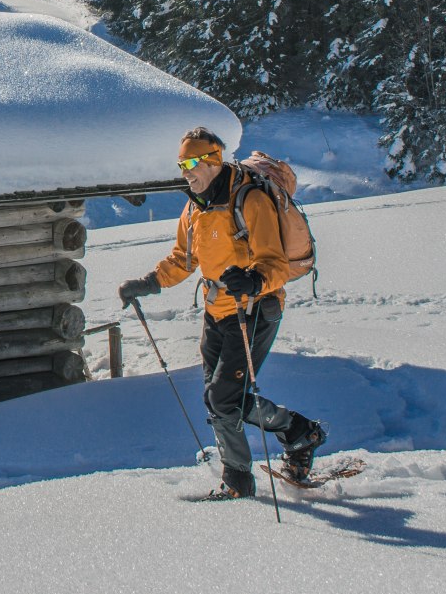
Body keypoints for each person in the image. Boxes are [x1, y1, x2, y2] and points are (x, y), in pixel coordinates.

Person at [117, 127, 326, 499]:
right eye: (181, 164)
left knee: (223, 398)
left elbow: (275, 265)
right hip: (217, 312)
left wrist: (253, 280)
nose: (185, 171)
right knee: (220, 397)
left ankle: (238, 481)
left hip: (255, 309)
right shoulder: (194, 208)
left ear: (213, 160)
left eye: (192, 163)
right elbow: (183, 259)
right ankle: (297, 432)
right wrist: (148, 283)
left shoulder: (250, 200)